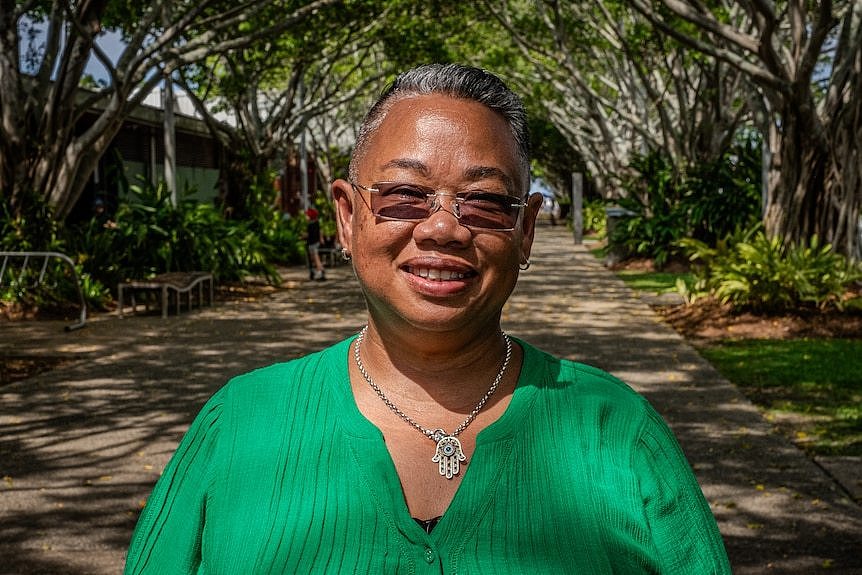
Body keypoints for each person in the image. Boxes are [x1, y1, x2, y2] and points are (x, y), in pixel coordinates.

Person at [125, 63, 731, 574]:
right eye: (403, 196)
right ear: (346, 216)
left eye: (486, 202)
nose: (443, 227)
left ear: (524, 231)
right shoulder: (240, 422)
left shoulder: (618, 432)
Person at [305, 207, 326, 280]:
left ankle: (320, 270)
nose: (306, 217)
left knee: (316, 258)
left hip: (312, 244)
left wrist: (303, 236)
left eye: (307, 215)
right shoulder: (317, 223)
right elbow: (320, 232)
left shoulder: (310, 225)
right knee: (315, 258)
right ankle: (319, 271)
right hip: (316, 243)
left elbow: (308, 235)